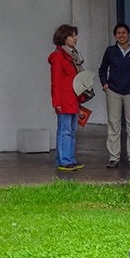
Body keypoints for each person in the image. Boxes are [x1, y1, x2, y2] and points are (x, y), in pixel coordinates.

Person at [98, 22, 130, 168]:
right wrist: (105, 84)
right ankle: (114, 157)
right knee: (114, 124)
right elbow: (102, 69)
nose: (121, 35)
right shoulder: (111, 51)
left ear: (129, 34)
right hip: (113, 91)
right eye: (118, 33)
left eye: (124, 32)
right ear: (115, 36)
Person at [48, 24, 85, 171]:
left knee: (72, 130)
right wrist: (56, 102)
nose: (75, 38)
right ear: (64, 38)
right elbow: (56, 81)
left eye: (75, 35)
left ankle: (70, 159)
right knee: (65, 131)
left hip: (73, 99)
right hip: (64, 100)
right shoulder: (58, 56)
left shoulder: (73, 55)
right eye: (71, 35)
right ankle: (64, 161)